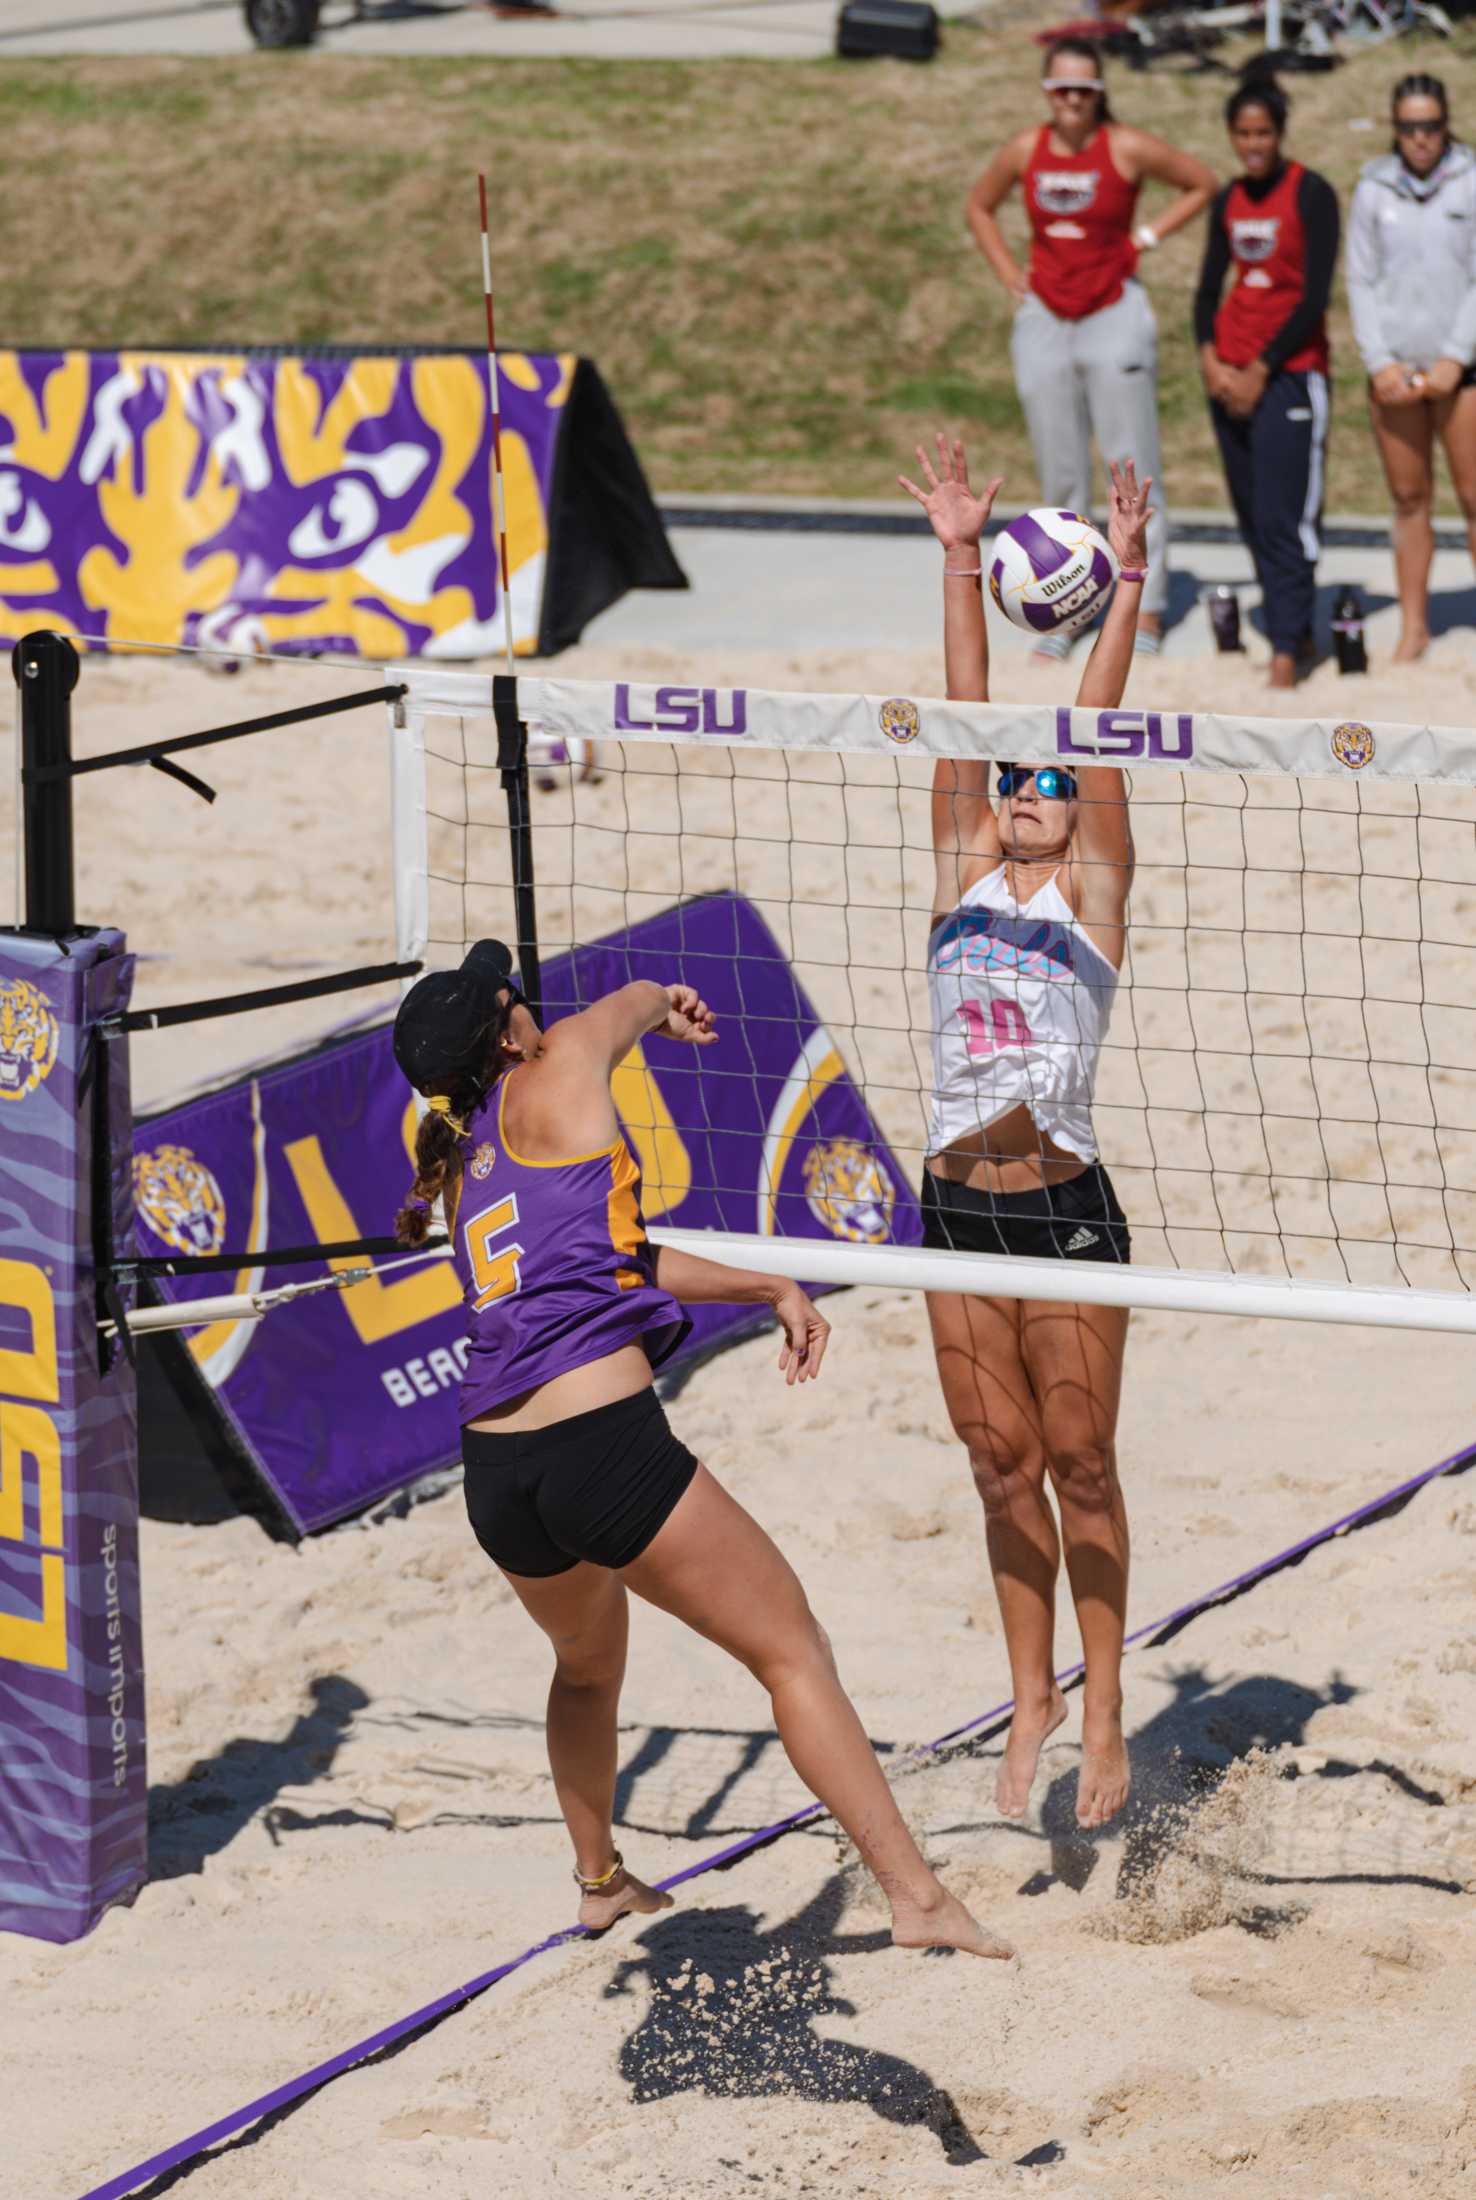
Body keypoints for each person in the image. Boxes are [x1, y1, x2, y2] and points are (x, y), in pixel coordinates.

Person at [392, 946, 1011, 1957]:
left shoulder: (462, 1169)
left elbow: (625, 1261)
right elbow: (630, 1002)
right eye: (515, 999)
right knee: (792, 1649)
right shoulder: (560, 1063)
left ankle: (598, 1881)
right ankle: (917, 1897)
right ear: (508, 1035)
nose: (531, 1004)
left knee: (586, 1671)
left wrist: (768, 1287)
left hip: (499, 1476)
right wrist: (668, 1006)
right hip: (601, 1448)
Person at [897, 434, 1147, 1831]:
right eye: (1012, 783)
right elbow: (957, 711)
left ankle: (1103, 1701)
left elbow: (1095, 739)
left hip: (1062, 1210)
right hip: (953, 1210)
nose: (1029, 792)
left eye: (1047, 785)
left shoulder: (1092, 899)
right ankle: (1031, 1692)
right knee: (999, 1468)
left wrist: (1129, 578)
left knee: (1083, 1461)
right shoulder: (959, 882)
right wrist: (954, 556)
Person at [966, 34, 1214, 659]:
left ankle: (1149, 602)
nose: (1073, 99)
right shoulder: (1027, 147)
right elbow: (980, 206)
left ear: (1100, 91)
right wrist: (1007, 274)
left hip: (1113, 311)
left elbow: (1200, 182)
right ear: (1047, 92)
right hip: (1046, 310)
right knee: (1061, 467)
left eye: (1084, 88)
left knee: (1130, 460)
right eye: (1061, 88)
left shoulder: (1125, 145)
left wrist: (1146, 238)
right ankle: (1071, 604)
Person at [1194, 79, 1339, 689]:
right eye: (1244, 133)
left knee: (1286, 517)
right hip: (1228, 376)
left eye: (1264, 133)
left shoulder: (1311, 192)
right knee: (1251, 512)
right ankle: (1295, 626)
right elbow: (1207, 288)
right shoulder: (1228, 198)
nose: (1253, 144)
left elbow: (1314, 296)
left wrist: (1262, 368)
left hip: (1290, 377)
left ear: (1280, 134)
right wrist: (1210, 357)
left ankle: (1287, 647)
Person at [1346, 72, 1476, 663]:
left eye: (1430, 125)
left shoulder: (1469, 180)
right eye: (1408, 127)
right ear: (1395, 129)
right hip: (1395, 371)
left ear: (1446, 123)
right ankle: (1414, 627)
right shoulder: (1373, 188)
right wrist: (1379, 362)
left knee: (1474, 498)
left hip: (1461, 370)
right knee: (1408, 498)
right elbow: (1360, 278)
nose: (1420, 138)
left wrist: (1456, 355)